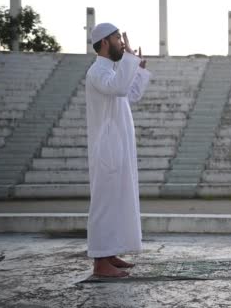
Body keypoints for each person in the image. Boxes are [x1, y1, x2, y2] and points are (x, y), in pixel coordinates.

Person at [85, 23, 151, 277]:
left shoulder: (111, 71)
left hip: (119, 148)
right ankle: (100, 263)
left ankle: (110, 253)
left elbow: (130, 93)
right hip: (107, 151)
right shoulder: (97, 72)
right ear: (104, 42)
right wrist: (130, 60)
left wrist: (138, 70)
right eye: (116, 38)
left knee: (118, 202)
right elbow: (119, 87)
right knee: (104, 204)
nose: (121, 43)